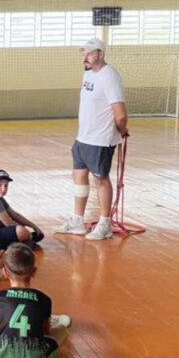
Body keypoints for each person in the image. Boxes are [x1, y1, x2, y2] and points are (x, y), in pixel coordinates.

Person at [56, 37, 128, 241]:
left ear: (100, 54)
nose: (84, 57)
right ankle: (77, 221)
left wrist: (121, 131)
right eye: (82, 53)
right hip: (83, 138)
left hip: (100, 139)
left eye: (88, 53)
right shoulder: (87, 75)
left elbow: (120, 114)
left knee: (100, 180)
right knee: (79, 177)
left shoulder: (110, 76)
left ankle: (105, 223)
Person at [0, 170, 44, 251]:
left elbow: (14, 215)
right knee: (21, 231)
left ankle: (17, 243)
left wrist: (33, 226)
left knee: (20, 225)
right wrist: (27, 233)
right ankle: (16, 244)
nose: (3, 189)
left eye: (6, 186)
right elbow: (9, 224)